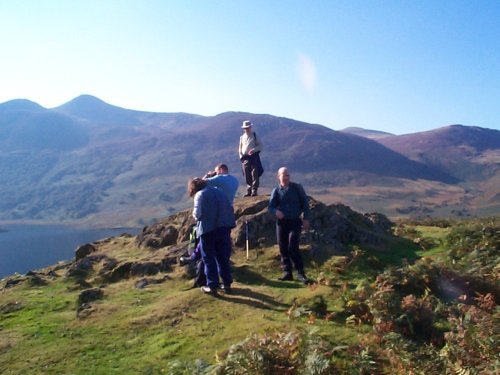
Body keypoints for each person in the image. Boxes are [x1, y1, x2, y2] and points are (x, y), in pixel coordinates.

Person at [188, 177, 236, 294]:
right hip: (224, 228)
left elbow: (197, 214)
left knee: (208, 258)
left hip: (208, 230)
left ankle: (212, 285)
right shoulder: (220, 192)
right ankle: (227, 284)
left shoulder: (200, 195)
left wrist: (196, 217)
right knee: (222, 257)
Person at [268, 167, 311, 283]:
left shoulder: (297, 188)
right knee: (283, 247)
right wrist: (276, 211)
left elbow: (305, 204)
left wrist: (306, 218)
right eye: (283, 175)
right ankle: (287, 272)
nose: (286, 177)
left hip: (295, 221)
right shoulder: (276, 191)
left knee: (293, 246)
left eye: (287, 175)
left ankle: (301, 273)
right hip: (282, 223)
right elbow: (271, 206)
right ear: (278, 176)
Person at [239, 120, 263, 197]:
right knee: (247, 174)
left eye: (248, 127)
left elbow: (260, 145)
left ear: (250, 127)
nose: (247, 129)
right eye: (246, 128)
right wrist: (241, 156)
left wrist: (254, 150)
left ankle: (254, 191)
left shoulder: (255, 135)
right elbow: (240, 148)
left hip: (254, 157)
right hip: (245, 158)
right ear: (244, 128)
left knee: (254, 174)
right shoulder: (242, 137)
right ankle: (249, 190)